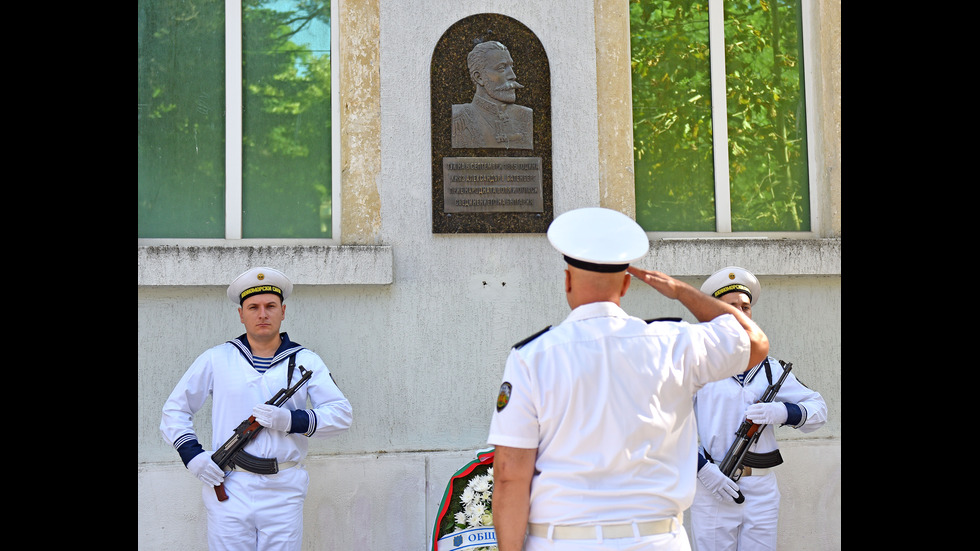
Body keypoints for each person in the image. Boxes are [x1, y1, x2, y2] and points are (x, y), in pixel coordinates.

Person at [487, 208, 769, 551]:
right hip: (656, 540)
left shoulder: (532, 357)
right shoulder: (675, 342)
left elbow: (510, 475)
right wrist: (680, 290)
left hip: (562, 541)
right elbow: (754, 342)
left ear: (567, 281)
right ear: (626, 284)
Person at [160, 267, 353, 551]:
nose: (262, 314)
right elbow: (174, 411)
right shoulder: (217, 358)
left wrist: (291, 419)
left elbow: (341, 415)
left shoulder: (305, 361)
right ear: (241, 314)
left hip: (284, 488)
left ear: (283, 311)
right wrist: (194, 456)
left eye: (270, 306)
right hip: (230, 484)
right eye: (253, 307)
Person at [690, 266, 827, 551]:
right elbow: (667, 427)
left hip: (761, 490)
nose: (740, 313)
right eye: (731, 307)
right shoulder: (696, 366)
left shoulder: (771, 369)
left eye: (745, 307)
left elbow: (818, 409)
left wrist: (785, 412)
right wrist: (702, 469)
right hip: (715, 485)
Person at [452, 41, 533, 149]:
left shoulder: (526, 116)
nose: (513, 76)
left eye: (511, 67)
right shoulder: (458, 118)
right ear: (479, 78)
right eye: (501, 68)